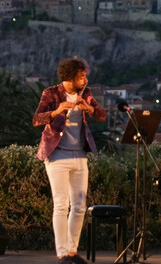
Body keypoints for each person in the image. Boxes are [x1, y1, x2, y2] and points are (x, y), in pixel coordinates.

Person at [32, 57, 107, 264]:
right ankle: (62, 253)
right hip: (57, 155)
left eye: (85, 76)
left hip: (79, 155)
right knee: (61, 205)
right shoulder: (51, 93)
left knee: (80, 206)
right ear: (70, 77)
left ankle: (72, 251)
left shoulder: (86, 94)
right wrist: (57, 111)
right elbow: (36, 119)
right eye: (81, 77)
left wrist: (88, 108)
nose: (85, 80)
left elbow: (101, 115)